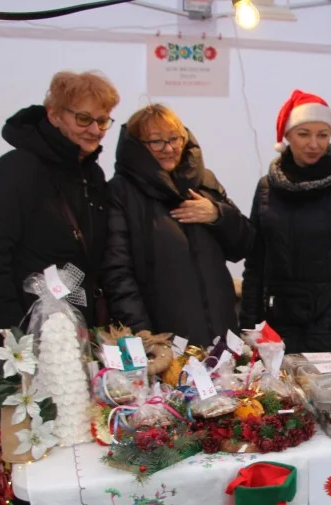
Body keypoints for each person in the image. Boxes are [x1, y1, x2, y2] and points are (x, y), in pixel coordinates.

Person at [0, 70, 120, 505]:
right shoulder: (17, 169)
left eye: (103, 120)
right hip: (26, 333)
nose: (95, 128)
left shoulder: (90, 175)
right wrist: (13, 338)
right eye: (84, 118)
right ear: (54, 114)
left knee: (78, 430)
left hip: (76, 326)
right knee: (29, 441)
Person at [240, 90, 331, 356]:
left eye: (322, 135)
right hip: (276, 325)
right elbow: (255, 262)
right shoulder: (267, 188)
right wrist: (249, 325)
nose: (314, 144)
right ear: (287, 136)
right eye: (304, 134)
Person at [101, 104, 252, 345]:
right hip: (164, 340)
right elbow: (118, 274)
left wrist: (217, 215)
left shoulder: (205, 181)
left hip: (222, 335)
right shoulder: (121, 192)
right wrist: (144, 336)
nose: (169, 149)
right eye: (156, 142)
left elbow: (244, 244)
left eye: (175, 139)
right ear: (138, 147)